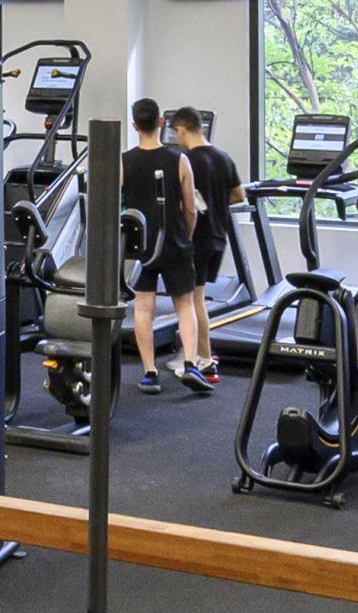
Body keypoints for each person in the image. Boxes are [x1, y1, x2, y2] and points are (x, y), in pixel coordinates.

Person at [124, 98, 212, 394]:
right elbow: (190, 208)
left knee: (143, 308)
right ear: (161, 122)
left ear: (135, 125)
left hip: (142, 243)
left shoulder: (124, 162)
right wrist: (185, 235)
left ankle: (150, 372)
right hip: (173, 238)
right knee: (185, 305)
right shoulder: (180, 159)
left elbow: (118, 206)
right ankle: (189, 363)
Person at [169, 106, 244, 384]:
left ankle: (204, 358)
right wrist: (213, 203)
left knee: (192, 301)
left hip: (195, 237)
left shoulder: (185, 160)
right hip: (217, 237)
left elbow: (181, 201)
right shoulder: (224, 158)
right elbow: (239, 195)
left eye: (175, 133)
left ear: (181, 130)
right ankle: (197, 353)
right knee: (196, 298)